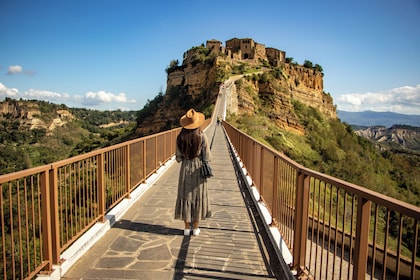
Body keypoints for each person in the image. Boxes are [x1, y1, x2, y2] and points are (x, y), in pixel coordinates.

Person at [174, 109, 212, 236]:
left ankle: (186, 227)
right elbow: (207, 157)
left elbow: (178, 158)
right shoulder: (201, 136)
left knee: (185, 196)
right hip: (198, 168)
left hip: (185, 168)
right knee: (198, 196)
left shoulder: (180, 137)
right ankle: (195, 228)